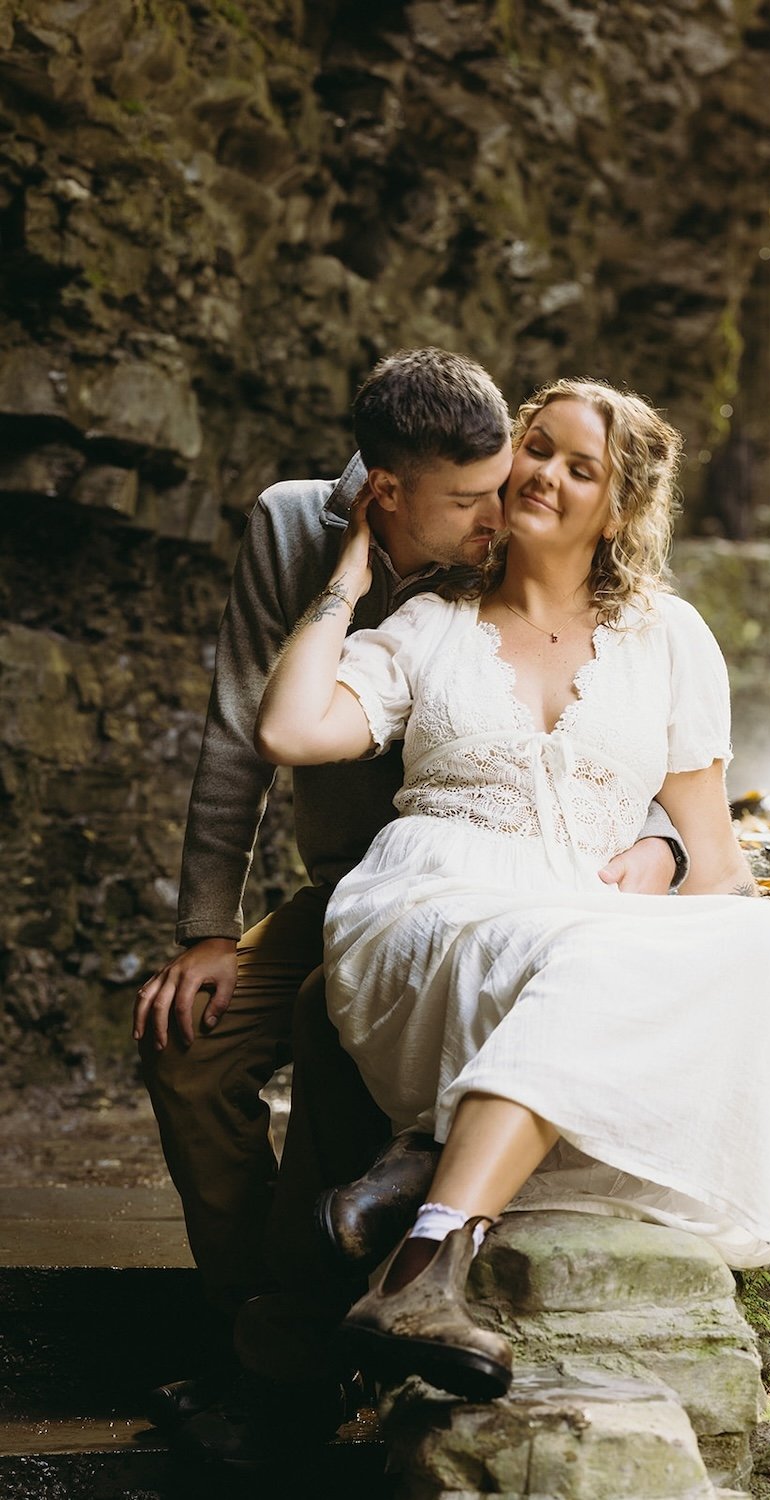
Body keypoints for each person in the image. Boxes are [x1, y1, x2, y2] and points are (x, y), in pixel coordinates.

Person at [256, 377, 770, 1400]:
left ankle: (422, 1231)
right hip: (430, 906)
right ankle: (425, 1228)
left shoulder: (670, 638)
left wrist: (760, 1036)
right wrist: (346, 584)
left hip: (581, 927)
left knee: (759, 942)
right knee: (589, 952)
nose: (544, 474)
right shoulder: (430, 625)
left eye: (582, 468)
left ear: (618, 510)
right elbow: (288, 729)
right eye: (536, 448)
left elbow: (716, 866)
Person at [132, 351, 687, 1459]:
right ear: (388, 492)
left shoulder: (520, 546)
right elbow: (245, 733)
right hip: (354, 885)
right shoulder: (294, 531)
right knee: (189, 1049)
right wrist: (207, 931)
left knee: (330, 1035)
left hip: (503, 892)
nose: (503, 512)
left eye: (511, 478)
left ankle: (296, 1352)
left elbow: (620, 730)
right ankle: (255, 1322)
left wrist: (663, 846)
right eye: (475, 499)